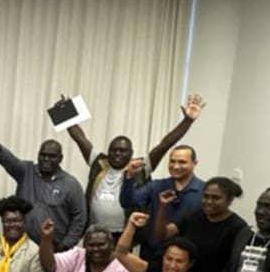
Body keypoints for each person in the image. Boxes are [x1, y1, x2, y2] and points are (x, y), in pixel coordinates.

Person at [66, 93, 205, 235]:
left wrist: (187, 121)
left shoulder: (140, 167)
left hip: (126, 233)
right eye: (114, 150)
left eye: (123, 151)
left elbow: (165, 144)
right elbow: (79, 138)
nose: (118, 154)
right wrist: (65, 111)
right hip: (95, 232)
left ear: (131, 153)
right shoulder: (99, 163)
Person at [0, 133, 87, 272]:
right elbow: (10, 161)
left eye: (51, 156)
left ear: (60, 158)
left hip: (52, 251)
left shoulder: (70, 184)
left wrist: (65, 245)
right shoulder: (27, 171)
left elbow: (80, 218)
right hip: (21, 248)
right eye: (42, 155)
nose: (46, 159)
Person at [119, 145, 205, 260]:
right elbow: (127, 202)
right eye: (172, 161)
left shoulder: (204, 191)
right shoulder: (157, 185)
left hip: (185, 258)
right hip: (153, 253)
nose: (176, 166)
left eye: (182, 162)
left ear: (194, 163)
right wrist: (129, 176)